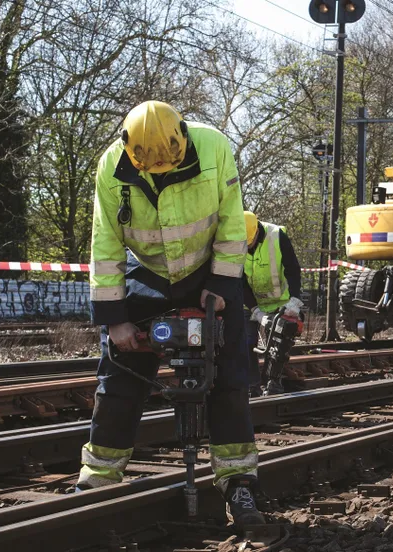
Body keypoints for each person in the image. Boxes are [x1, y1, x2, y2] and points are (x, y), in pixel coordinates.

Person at [81, 101, 263, 529]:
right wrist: (115, 319)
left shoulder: (215, 148)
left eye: (169, 161)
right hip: (148, 274)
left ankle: (239, 482)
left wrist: (219, 288)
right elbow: (105, 246)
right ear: (131, 152)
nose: (160, 170)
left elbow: (233, 225)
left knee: (229, 379)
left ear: (183, 137)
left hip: (209, 273)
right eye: (151, 166)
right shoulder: (111, 168)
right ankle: (98, 480)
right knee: (119, 381)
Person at [242, 211, 303, 395]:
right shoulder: (234, 242)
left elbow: (293, 269)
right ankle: (252, 386)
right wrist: (255, 310)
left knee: (279, 343)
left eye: (249, 242)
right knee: (246, 341)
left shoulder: (277, 236)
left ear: (256, 233)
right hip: (252, 303)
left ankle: (273, 382)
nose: (247, 247)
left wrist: (294, 300)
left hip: (281, 302)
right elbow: (240, 281)